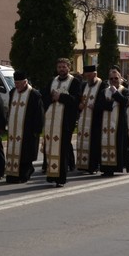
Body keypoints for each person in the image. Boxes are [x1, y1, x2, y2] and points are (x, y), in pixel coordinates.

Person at [43, 58, 83, 187]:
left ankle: (61, 178)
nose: (61, 69)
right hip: (51, 121)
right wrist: (51, 98)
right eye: (59, 67)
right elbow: (44, 98)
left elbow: (76, 100)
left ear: (69, 67)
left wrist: (60, 97)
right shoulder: (52, 81)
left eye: (64, 67)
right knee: (50, 148)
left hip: (65, 122)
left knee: (63, 149)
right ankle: (51, 175)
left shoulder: (74, 82)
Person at [4, 71, 43, 183]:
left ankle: (25, 173)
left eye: (19, 83)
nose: (17, 86)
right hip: (14, 129)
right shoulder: (12, 92)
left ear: (25, 82)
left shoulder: (34, 94)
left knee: (26, 153)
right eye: (15, 83)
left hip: (28, 130)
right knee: (14, 152)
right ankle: (12, 174)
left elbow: (39, 114)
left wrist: (37, 130)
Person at [92, 69, 129, 176]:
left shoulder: (124, 90)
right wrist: (109, 105)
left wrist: (115, 93)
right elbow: (98, 105)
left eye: (116, 78)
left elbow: (125, 102)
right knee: (105, 144)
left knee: (118, 145)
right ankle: (106, 168)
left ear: (120, 78)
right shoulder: (104, 91)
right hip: (105, 124)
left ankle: (116, 167)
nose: (113, 80)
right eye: (111, 78)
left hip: (119, 124)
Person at [75, 65, 105, 174]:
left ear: (95, 74)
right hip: (83, 118)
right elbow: (79, 98)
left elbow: (104, 102)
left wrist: (96, 106)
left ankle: (93, 165)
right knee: (83, 142)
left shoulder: (102, 85)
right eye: (86, 76)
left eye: (89, 75)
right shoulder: (84, 85)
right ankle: (82, 165)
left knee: (94, 143)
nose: (88, 78)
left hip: (96, 120)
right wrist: (79, 105)